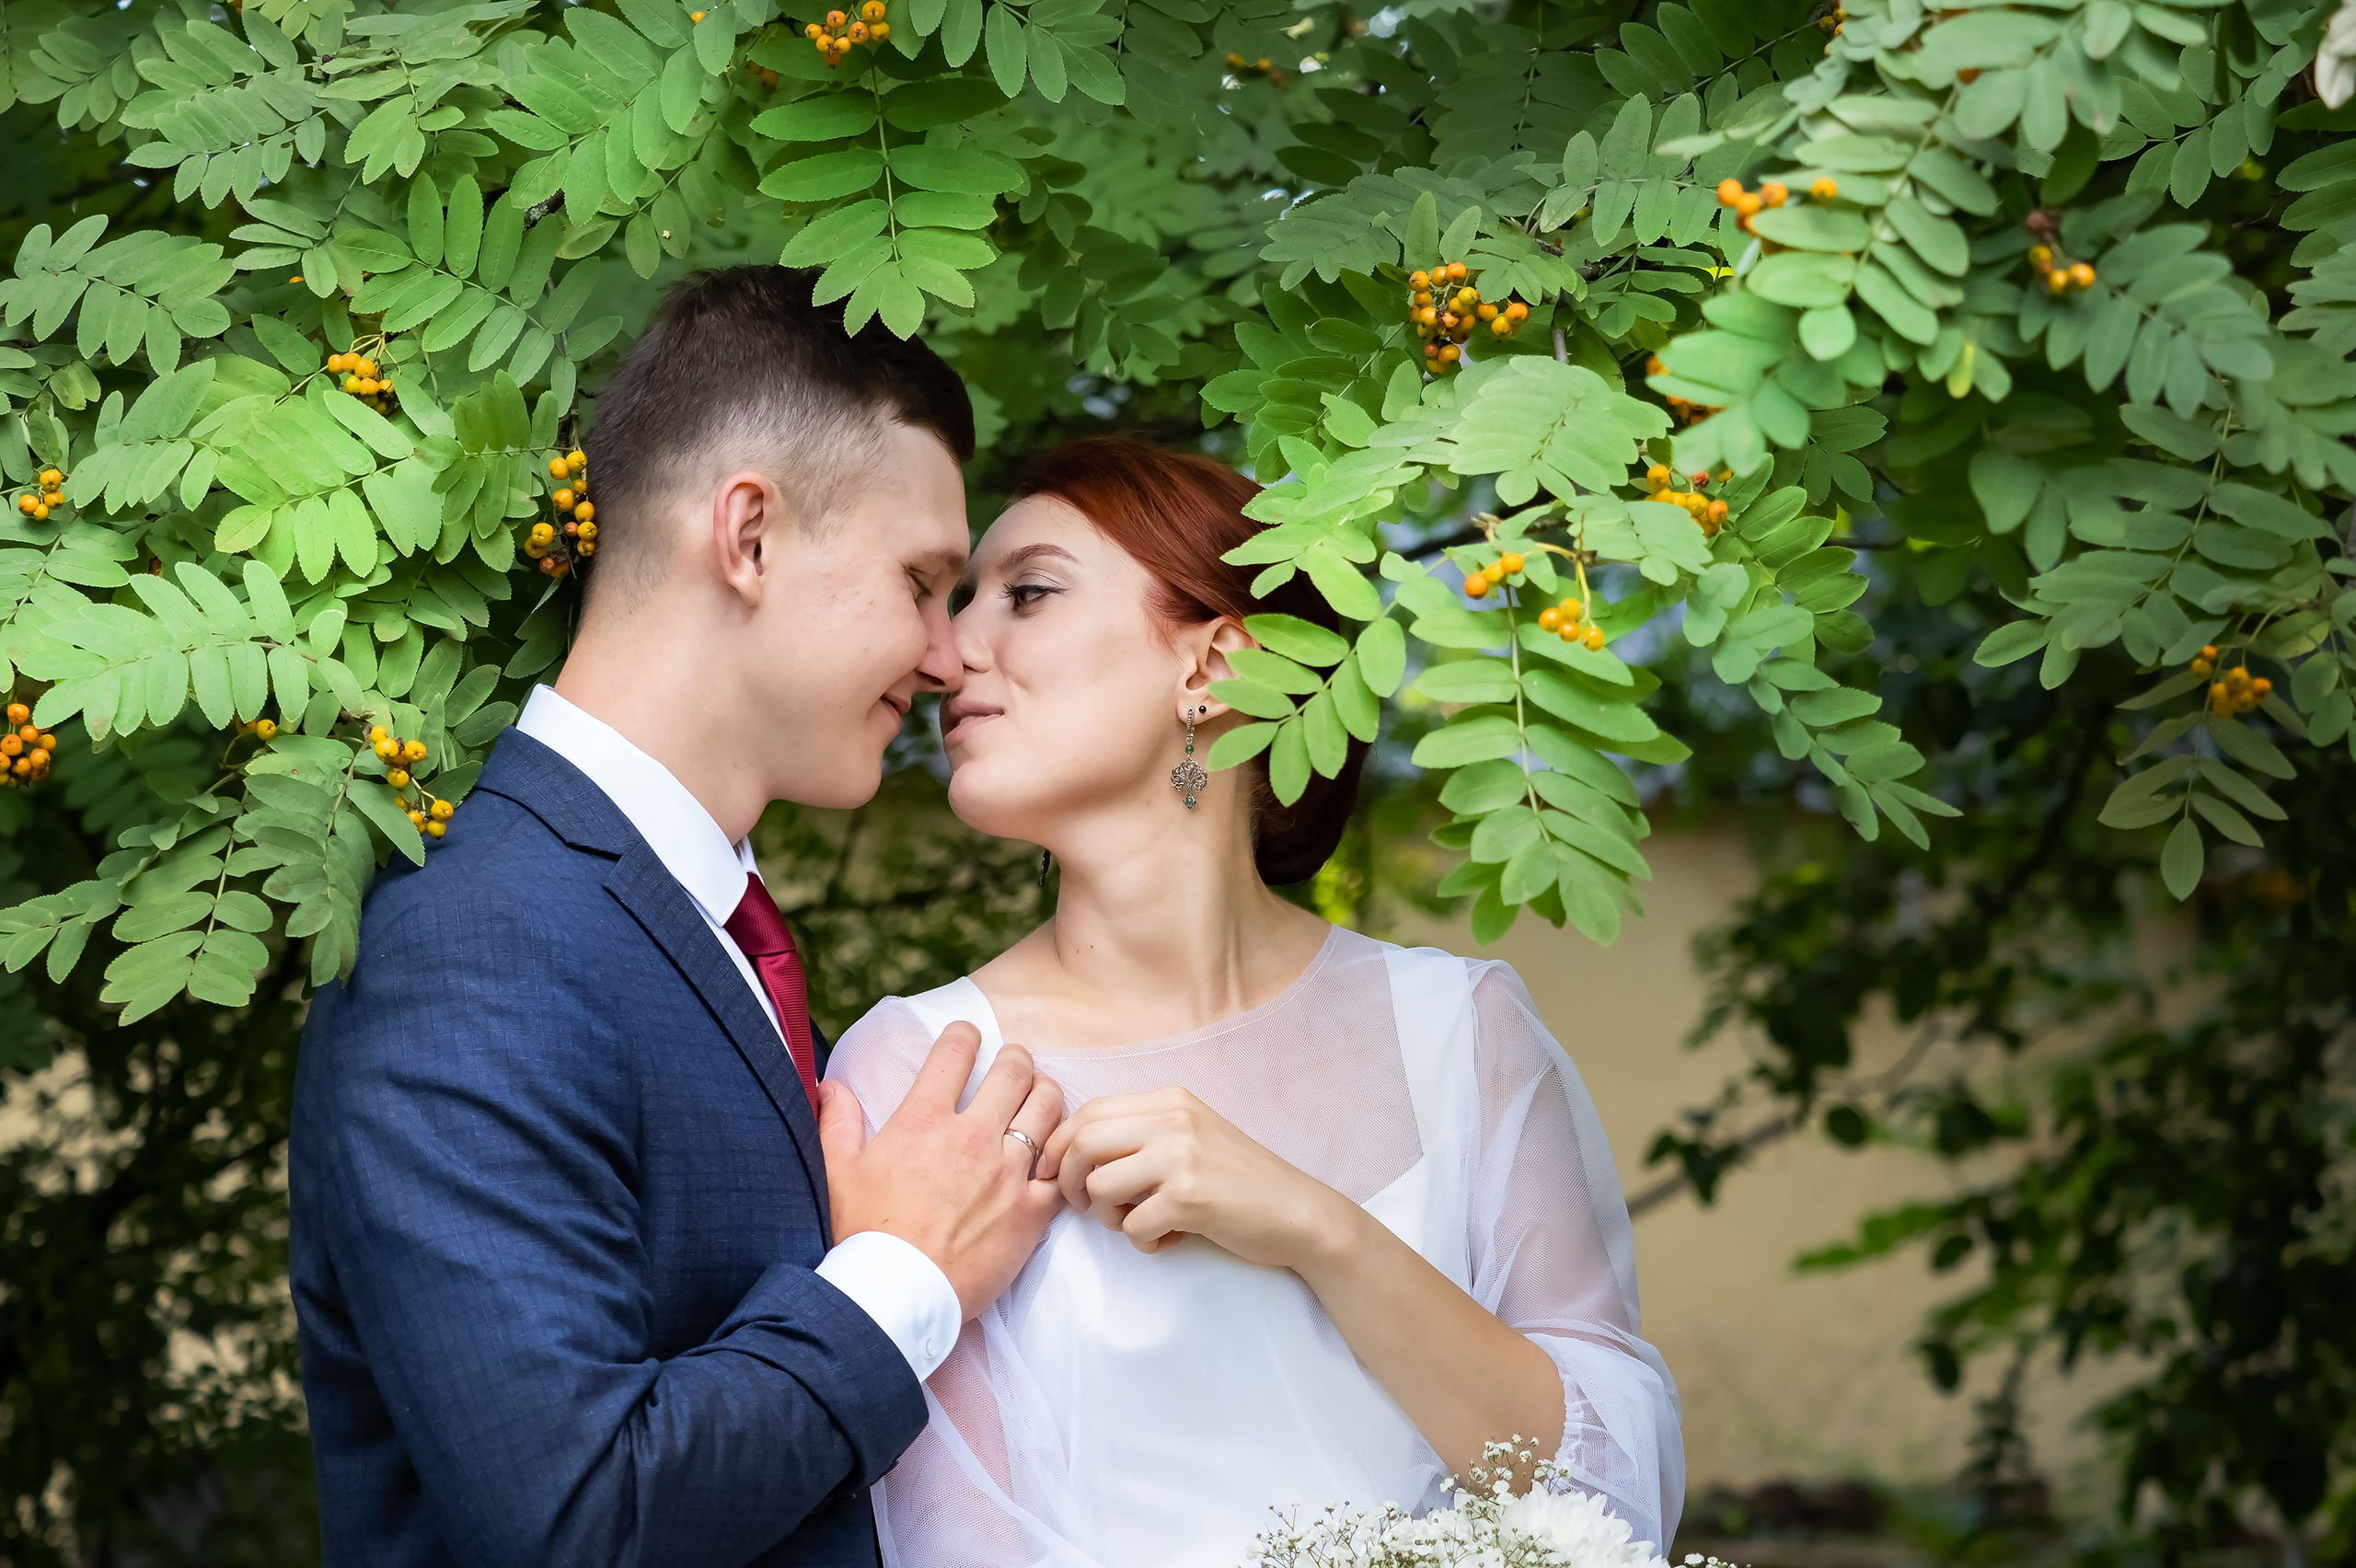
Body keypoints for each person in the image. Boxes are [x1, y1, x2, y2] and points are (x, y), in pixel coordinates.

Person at [287, 266, 1068, 1566]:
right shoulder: (470, 942)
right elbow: (577, 1520)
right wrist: (905, 1279)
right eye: (922, 581)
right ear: (749, 536)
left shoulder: (696, 917)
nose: (947, 655)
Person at [826, 437, 1685, 1568]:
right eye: (954, 602)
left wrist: (1315, 1229)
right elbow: (945, 1538)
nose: (945, 653)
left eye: (1025, 594)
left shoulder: (1460, 1033)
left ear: (1214, 666)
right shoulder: (920, 1070)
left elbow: (1603, 1501)